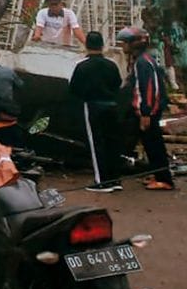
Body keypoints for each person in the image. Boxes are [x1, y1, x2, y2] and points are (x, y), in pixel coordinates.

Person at [116, 26, 174, 190]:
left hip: (148, 112)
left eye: (124, 43)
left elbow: (148, 89)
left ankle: (165, 180)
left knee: (155, 145)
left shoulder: (143, 63)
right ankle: (158, 175)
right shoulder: (140, 60)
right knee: (149, 145)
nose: (122, 47)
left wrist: (146, 113)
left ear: (133, 44)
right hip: (145, 111)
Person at [69, 31, 125, 192]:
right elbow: (117, 84)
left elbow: (74, 89)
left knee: (96, 144)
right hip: (112, 106)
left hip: (93, 106)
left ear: (86, 45)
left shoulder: (82, 66)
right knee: (112, 143)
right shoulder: (112, 65)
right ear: (102, 46)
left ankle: (101, 181)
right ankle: (115, 180)